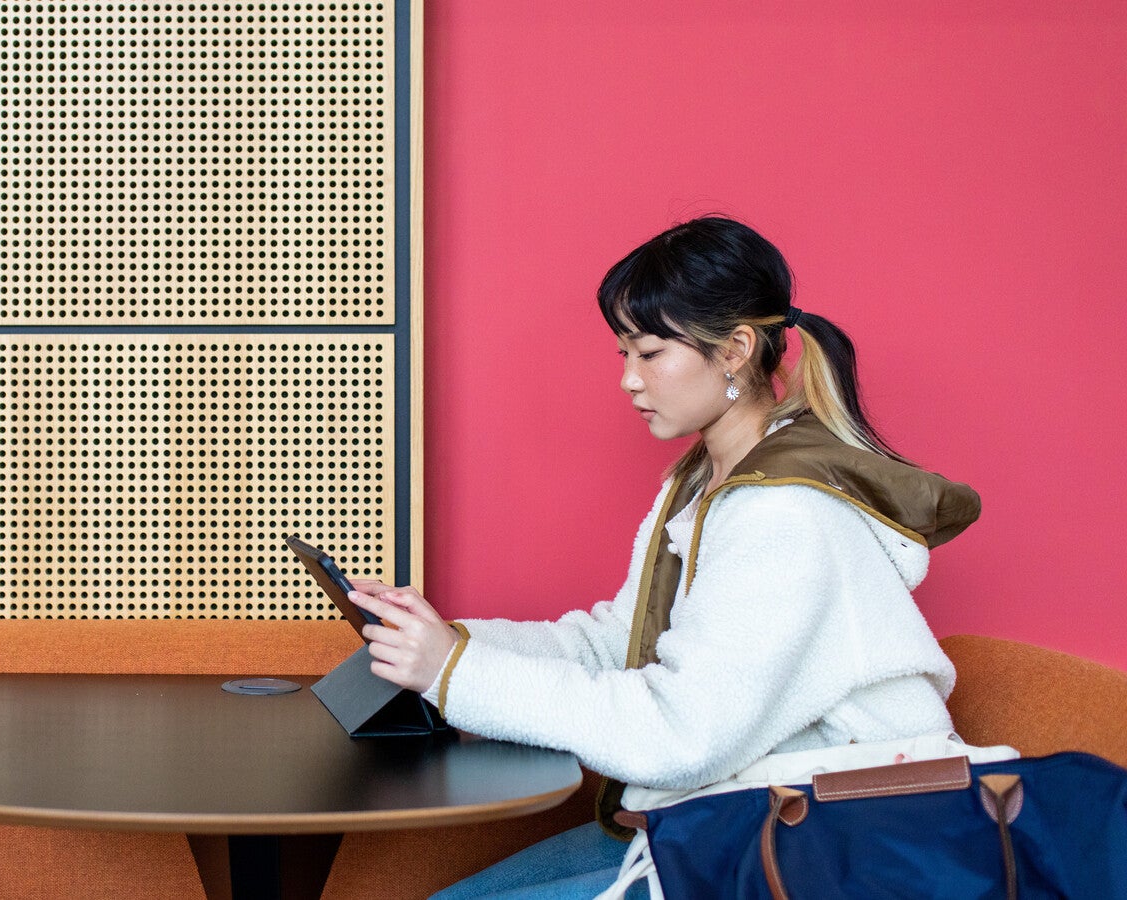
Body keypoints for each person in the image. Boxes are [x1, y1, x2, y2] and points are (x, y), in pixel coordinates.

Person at [348, 215, 981, 899]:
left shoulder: (785, 515)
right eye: (624, 353)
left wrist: (455, 674)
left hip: (826, 842)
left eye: (648, 353)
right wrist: (451, 646)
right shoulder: (701, 483)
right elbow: (621, 643)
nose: (628, 380)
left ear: (735, 349)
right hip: (734, 816)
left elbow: (681, 734)